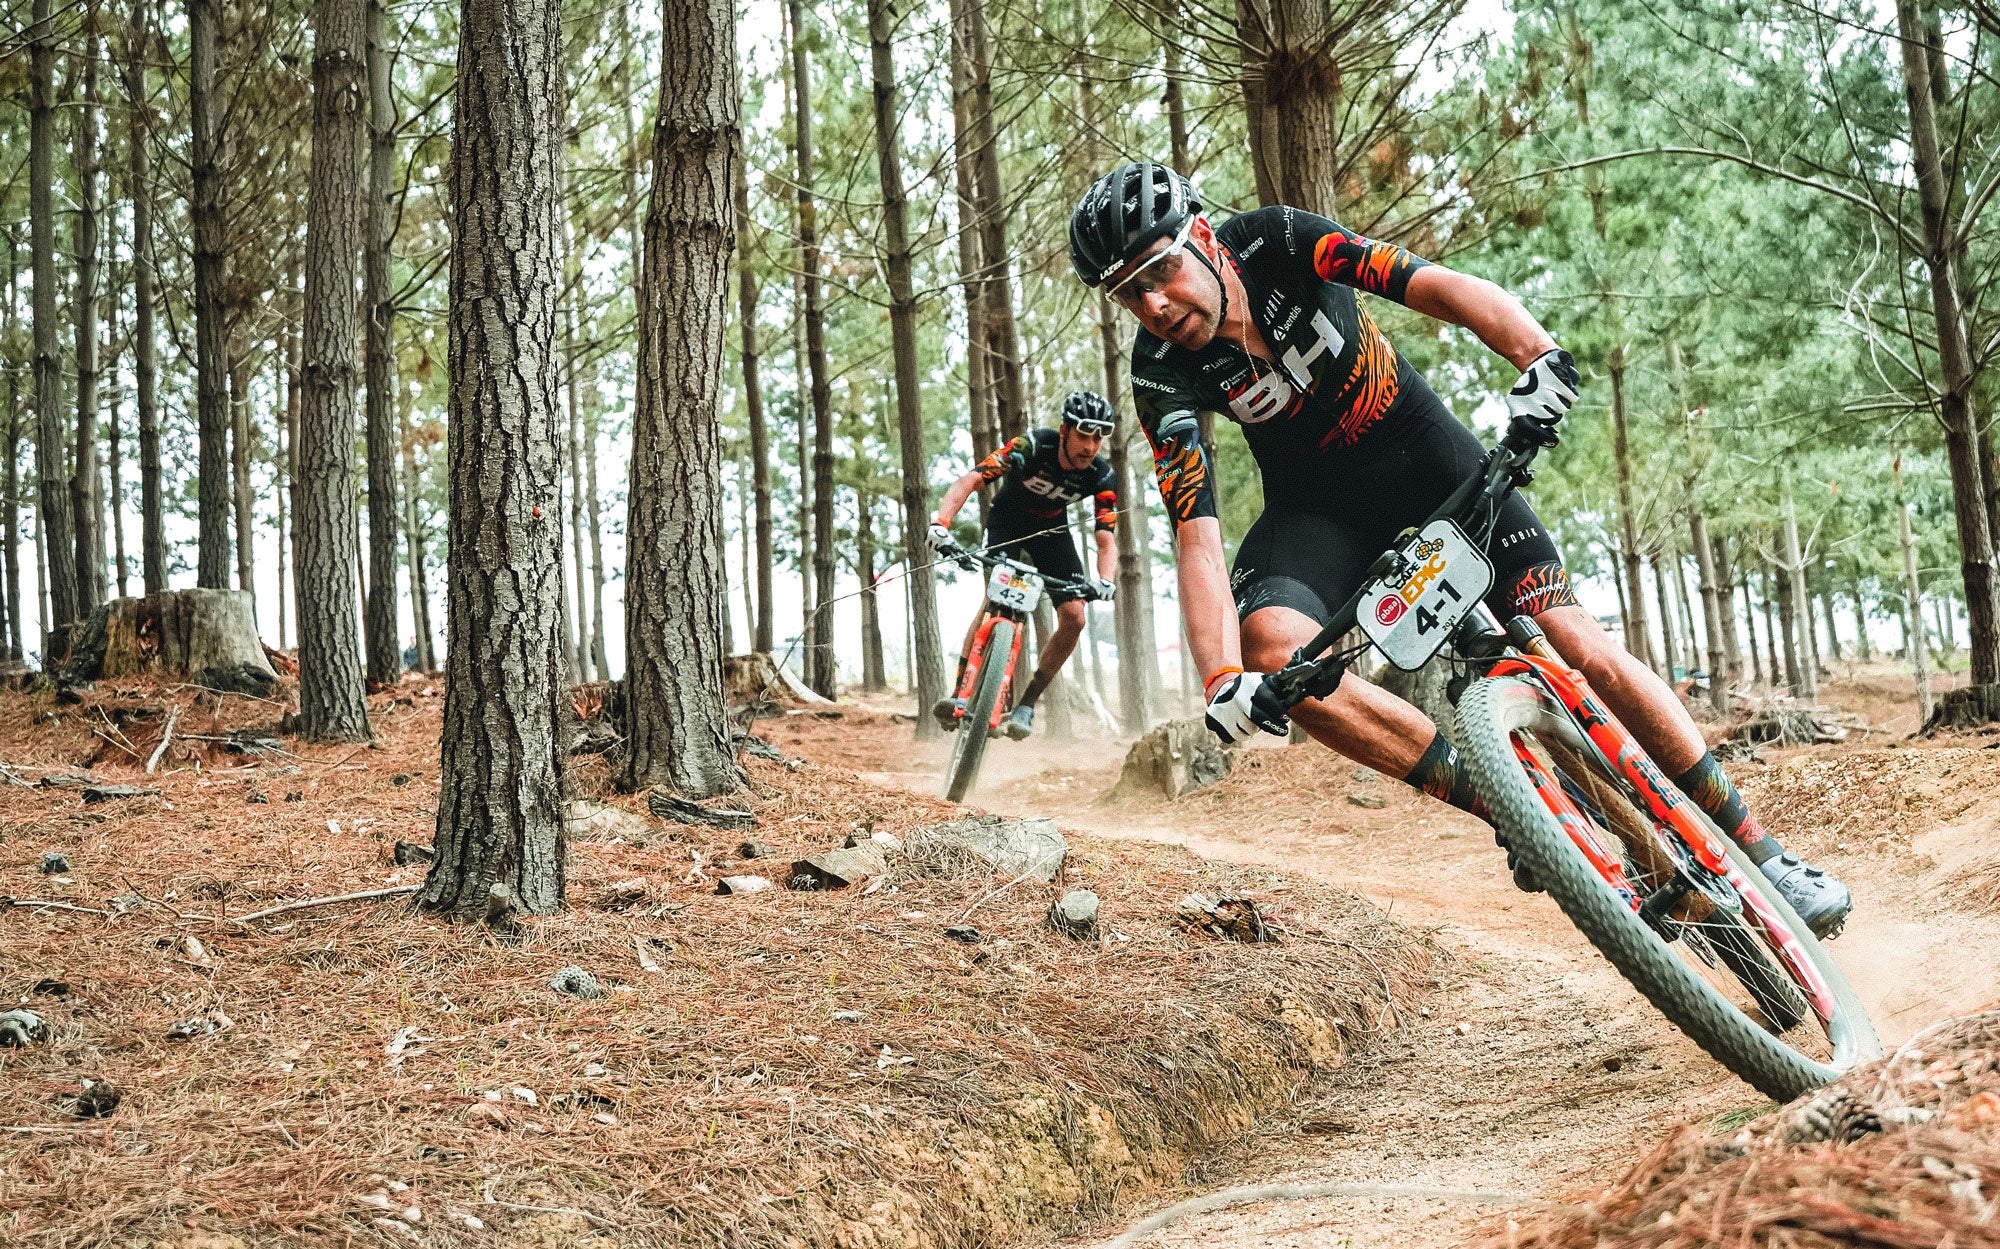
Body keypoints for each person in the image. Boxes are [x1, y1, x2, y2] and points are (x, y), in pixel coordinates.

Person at [1066, 161, 1852, 937]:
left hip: (1420, 456)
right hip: (1317, 513)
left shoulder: (1274, 238)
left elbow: (1433, 283)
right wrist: (1221, 680)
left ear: (1200, 232)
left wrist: (1534, 355)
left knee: (1577, 641)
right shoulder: (1159, 373)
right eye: (1130, 292)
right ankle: (1507, 802)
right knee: (1274, 650)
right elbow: (1197, 537)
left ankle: (1762, 852)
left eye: (1161, 269)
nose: (1155, 302)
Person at [927, 392, 1121, 740]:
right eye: (1084, 434)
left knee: (1076, 617)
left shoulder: (1101, 474)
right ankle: (960, 691)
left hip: (1052, 533)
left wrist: (1105, 580)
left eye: (1099, 437)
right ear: (1064, 430)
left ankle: (1027, 704)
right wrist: (941, 524)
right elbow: (971, 480)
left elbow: (1106, 537)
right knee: (994, 600)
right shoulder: (1031, 446)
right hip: (1009, 522)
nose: (1091, 446)